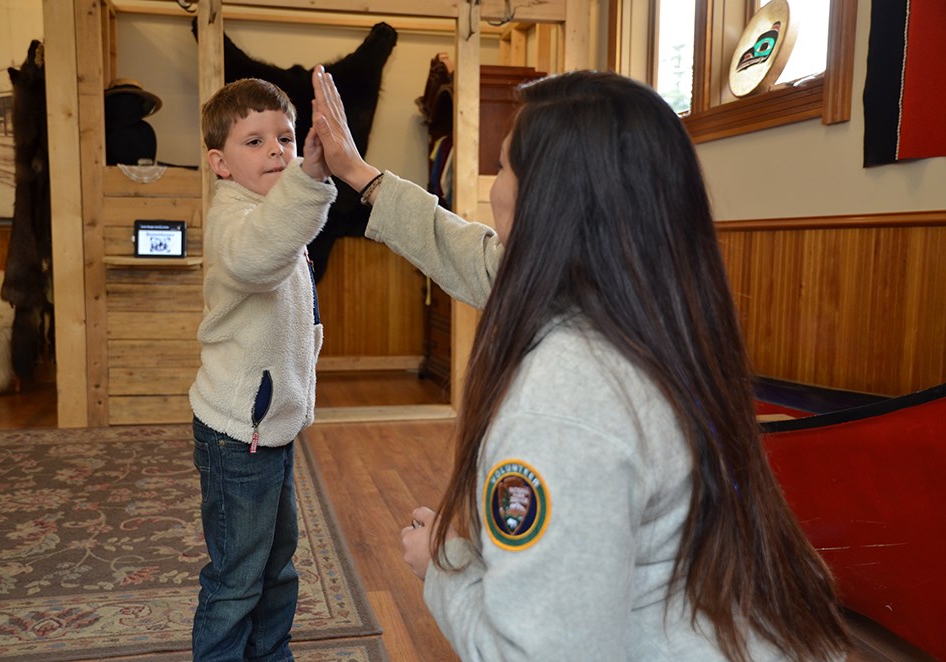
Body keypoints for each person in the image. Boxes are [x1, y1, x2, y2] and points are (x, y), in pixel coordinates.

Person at [310, 65, 851, 660]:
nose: (496, 183)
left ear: (544, 200)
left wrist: (446, 566)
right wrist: (360, 175)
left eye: (507, 163)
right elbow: (474, 255)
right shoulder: (652, 305)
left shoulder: (562, 403)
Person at [189, 77, 337, 661]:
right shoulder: (234, 220)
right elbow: (257, 260)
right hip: (237, 435)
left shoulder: (274, 211)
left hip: (269, 428)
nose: (277, 149)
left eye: (286, 137)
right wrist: (308, 182)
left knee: (278, 566)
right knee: (236, 580)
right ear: (220, 163)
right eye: (254, 141)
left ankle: (271, 655)